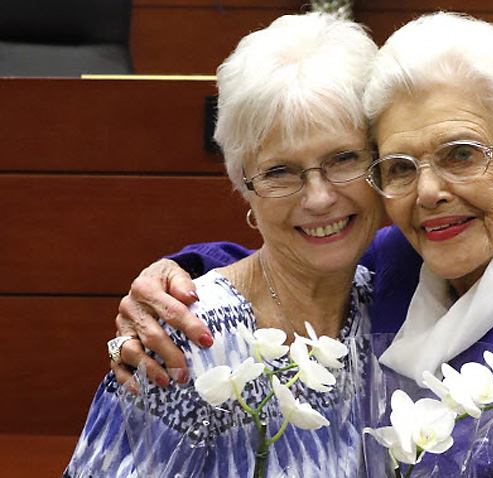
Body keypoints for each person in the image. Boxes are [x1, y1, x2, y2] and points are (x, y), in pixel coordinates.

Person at [110, 12, 493, 477]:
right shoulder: (413, 261)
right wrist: (178, 277)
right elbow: (304, 264)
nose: (429, 192)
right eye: (401, 167)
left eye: (461, 155)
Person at [65, 12, 382, 478]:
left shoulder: (394, 305)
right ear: (243, 186)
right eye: (280, 172)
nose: (318, 198)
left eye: (344, 159)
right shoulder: (190, 340)